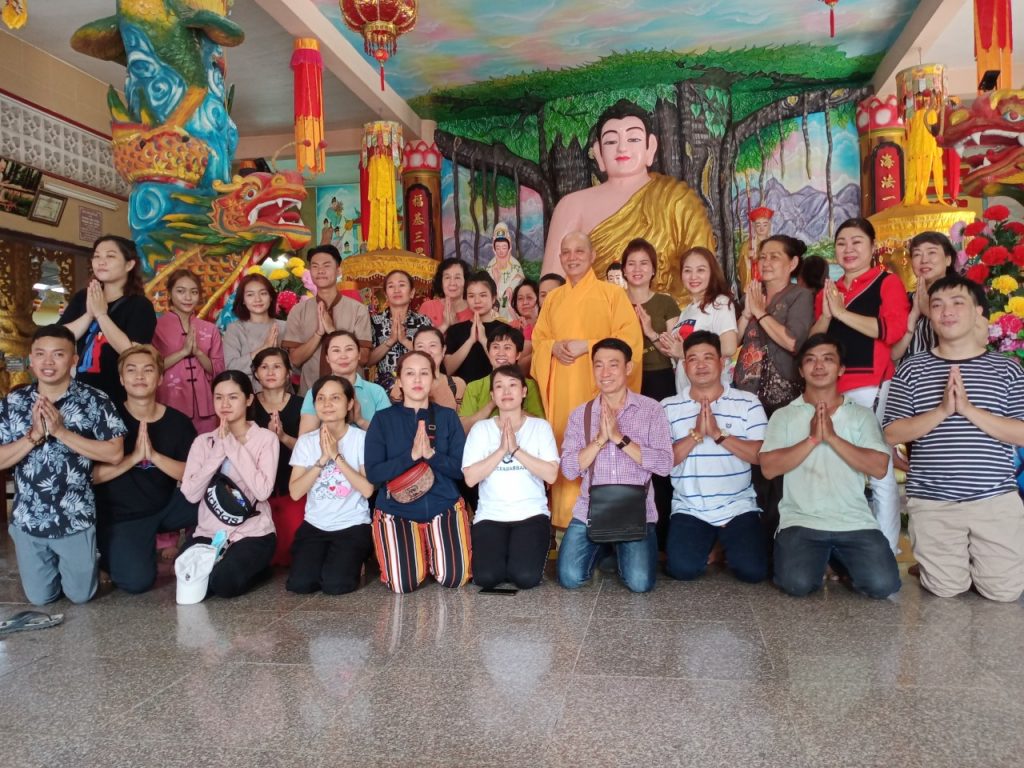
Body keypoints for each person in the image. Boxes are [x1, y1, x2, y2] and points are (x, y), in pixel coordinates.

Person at [884, 275, 1024, 602]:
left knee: (1004, 592)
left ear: (978, 313)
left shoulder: (1008, 369)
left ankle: (980, 563)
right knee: (946, 589)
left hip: (994, 498)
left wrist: (969, 410)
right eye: (937, 305)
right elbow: (892, 432)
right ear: (930, 315)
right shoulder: (912, 369)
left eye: (957, 303)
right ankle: (956, 565)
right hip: (933, 500)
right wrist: (943, 411)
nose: (947, 312)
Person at [759, 334, 900, 599]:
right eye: (810, 360)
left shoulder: (861, 415)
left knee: (883, 585)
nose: (819, 366)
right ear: (801, 370)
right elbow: (768, 468)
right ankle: (823, 558)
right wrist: (812, 439)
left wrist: (833, 438)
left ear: (841, 369)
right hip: (801, 520)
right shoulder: (784, 415)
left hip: (854, 521)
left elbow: (879, 467)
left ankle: (835, 558)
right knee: (797, 584)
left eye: (828, 359)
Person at [0, 325, 126, 605]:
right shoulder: (13, 403)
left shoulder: (95, 400)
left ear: (74, 360)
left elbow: (115, 453)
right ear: (31, 360)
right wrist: (34, 436)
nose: (48, 362)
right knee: (40, 599)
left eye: (58, 354)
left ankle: (87, 560)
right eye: (40, 354)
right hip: (29, 519)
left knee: (81, 596)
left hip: (75, 517)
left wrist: (60, 432)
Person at [541, 100, 713, 301]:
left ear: (650, 147)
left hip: (667, 315)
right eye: (611, 142)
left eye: (633, 139)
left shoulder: (678, 200)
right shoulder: (572, 205)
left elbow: (703, 274)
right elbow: (550, 286)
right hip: (596, 315)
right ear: (599, 152)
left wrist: (664, 312)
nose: (622, 148)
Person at [531, 231, 644, 529]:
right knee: (567, 447)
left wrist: (590, 346)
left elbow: (630, 343)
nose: (572, 258)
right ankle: (566, 524)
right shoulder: (554, 299)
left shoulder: (613, 295)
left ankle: (609, 524)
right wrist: (551, 347)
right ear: (560, 258)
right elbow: (538, 341)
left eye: (579, 251)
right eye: (566, 252)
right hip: (563, 392)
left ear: (593, 255)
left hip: (600, 393)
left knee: (604, 448)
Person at [810, 218, 910, 552]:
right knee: (836, 464)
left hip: (871, 384)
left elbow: (892, 332)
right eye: (841, 243)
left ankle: (887, 548)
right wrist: (827, 314)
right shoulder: (830, 290)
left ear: (872, 247)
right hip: (831, 389)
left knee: (877, 466)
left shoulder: (886, 282)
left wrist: (841, 313)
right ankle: (847, 549)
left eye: (856, 242)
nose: (848, 249)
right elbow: (813, 343)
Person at [557, 338, 672, 593]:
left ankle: (616, 551)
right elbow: (569, 469)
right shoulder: (581, 414)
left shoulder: (651, 410)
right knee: (569, 577)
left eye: (613, 365)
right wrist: (600, 440)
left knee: (639, 583)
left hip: (636, 510)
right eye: (598, 365)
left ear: (628, 368)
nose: (605, 372)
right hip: (591, 508)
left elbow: (665, 464)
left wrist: (619, 438)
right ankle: (605, 547)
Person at [661, 331, 768, 583]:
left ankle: (722, 543)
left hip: (737, 505)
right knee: (682, 569)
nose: (700, 365)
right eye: (692, 359)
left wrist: (719, 435)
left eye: (708, 357)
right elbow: (662, 463)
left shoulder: (747, 402)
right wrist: (696, 435)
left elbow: (761, 456)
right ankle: (711, 541)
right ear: (684, 366)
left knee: (752, 572)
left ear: (722, 362)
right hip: (690, 507)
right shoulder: (667, 407)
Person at [93, 345, 198, 594]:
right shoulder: (106, 418)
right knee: (137, 582)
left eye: (148, 370)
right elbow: (90, 477)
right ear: (122, 379)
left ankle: (197, 552)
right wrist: (133, 459)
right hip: (125, 515)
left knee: (217, 498)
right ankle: (110, 554)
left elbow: (194, 474)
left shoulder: (178, 422)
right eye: (131, 370)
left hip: (166, 506)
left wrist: (154, 456)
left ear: (160, 378)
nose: (140, 376)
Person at [364, 351, 471, 594]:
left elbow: (460, 470)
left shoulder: (447, 417)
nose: (417, 379)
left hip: (443, 506)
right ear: (399, 381)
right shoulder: (383, 420)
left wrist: (432, 455)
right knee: (402, 584)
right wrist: (410, 456)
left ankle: (430, 549)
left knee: (454, 578)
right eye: (410, 373)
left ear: (433, 379)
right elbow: (374, 474)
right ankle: (419, 549)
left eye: (424, 373)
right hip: (397, 510)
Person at [178, 371, 279, 599]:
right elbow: (191, 494)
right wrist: (218, 451)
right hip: (210, 532)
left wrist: (232, 446)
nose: (225, 404)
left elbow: (262, 490)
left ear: (249, 399)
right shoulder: (203, 442)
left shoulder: (266, 439)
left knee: (223, 583)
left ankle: (259, 570)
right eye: (218, 397)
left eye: (233, 397)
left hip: (252, 532)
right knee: (186, 574)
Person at [463, 365, 559, 589]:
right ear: (492, 395)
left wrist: (515, 450)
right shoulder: (481, 430)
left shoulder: (540, 428)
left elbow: (551, 474)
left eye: (512, 385)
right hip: (490, 515)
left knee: (525, 578)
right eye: (499, 386)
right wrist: (500, 451)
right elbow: (470, 478)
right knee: (486, 578)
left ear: (524, 392)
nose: (506, 391)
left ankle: (518, 559)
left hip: (531, 514)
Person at [287, 375, 374, 595]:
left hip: (352, 524)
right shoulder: (306, 442)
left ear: (350, 403)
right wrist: (322, 459)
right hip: (315, 525)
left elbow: (367, 489)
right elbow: (295, 492)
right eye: (321, 398)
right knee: (300, 584)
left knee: (336, 585)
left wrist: (336, 456)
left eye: (335, 398)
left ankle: (356, 559)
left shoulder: (361, 439)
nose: (327, 404)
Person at [59, 234, 157, 405]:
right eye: (97, 256)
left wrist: (101, 315)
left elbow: (133, 353)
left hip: (119, 395)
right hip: (82, 393)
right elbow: (59, 338)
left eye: (110, 256)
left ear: (129, 264)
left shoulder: (140, 305)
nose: (101, 262)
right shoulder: (83, 297)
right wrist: (89, 315)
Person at [735, 236, 813, 413]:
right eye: (762, 257)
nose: (766, 262)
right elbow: (733, 343)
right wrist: (746, 315)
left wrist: (760, 312)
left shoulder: (800, 295)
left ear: (792, 263)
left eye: (774, 257)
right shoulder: (752, 295)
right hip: (745, 394)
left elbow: (792, 342)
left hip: (781, 394)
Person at [283, 244, 372, 394]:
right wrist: (318, 334)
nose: (320, 271)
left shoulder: (358, 310)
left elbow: (363, 358)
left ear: (338, 270)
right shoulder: (298, 311)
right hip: (310, 395)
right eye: (315, 266)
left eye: (326, 265)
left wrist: (332, 332)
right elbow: (295, 360)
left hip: (351, 395)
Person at [890, 231, 988, 363]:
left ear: (948, 260)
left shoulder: (968, 294)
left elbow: (980, 340)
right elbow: (893, 355)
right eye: (917, 254)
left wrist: (928, 310)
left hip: (953, 370)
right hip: (912, 372)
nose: (924, 260)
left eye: (932, 252)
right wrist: (912, 318)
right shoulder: (905, 299)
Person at [152, 268, 225, 434]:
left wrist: (198, 352)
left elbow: (218, 369)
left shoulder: (210, 329)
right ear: (169, 294)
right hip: (169, 403)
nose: (188, 297)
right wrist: (183, 352)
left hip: (205, 407)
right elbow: (152, 367)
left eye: (194, 292)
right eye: (180, 291)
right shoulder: (156, 327)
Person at [657, 246, 738, 393]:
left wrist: (685, 352)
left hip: (713, 394)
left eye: (700, 270)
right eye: (687, 271)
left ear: (712, 273)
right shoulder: (686, 311)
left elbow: (729, 347)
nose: (693, 276)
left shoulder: (719, 303)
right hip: (687, 393)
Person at [250, 347, 303, 567]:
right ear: (255, 373)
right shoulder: (248, 405)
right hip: (256, 493)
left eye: (277, 367)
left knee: (293, 551)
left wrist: (282, 437)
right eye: (264, 367)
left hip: (293, 490)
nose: (270, 372)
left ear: (288, 372)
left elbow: (310, 451)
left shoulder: (302, 405)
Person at [298, 330, 391, 435]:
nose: (343, 356)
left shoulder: (376, 392)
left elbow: (390, 435)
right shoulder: (316, 392)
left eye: (349, 349)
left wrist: (360, 420)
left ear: (359, 354)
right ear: (327, 358)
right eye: (336, 350)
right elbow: (305, 437)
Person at [622, 238, 680, 402]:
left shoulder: (666, 302)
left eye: (644, 263)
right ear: (624, 270)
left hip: (659, 376)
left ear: (653, 269)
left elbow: (674, 351)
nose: (637, 269)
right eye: (631, 263)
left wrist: (650, 332)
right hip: (624, 376)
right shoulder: (615, 302)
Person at [459, 325, 545, 433]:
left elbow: (541, 426)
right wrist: (493, 403)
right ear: (488, 352)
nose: (501, 353)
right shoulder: (474, 387)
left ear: (518, 354)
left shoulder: (529, 385)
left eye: (507, 348)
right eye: (495, 347)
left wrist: (511, 406)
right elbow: (462, 430)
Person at [222, 273, 288, 391]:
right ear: (243, 300)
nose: (257, 299)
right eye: (250, 294)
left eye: (263, 293)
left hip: (282, 395)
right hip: (247, 395)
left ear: (271, 297)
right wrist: (264, 348)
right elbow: (231, 368)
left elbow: (295, 366)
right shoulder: (234, 329)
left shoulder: (284, 327)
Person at [367, 269, 430, 392]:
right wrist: (390, 341)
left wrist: (405, 341)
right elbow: (367, 361)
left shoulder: (423, 321)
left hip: (418, 385)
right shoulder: (374, 321)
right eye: (391, 286)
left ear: (412, 293)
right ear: (386, 294)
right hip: (383, 389)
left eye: (401, 285)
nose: (396, 290)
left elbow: (430, 357)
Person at [444, 271, 507, 382]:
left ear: (493, 298)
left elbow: (506, 370)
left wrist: (483, 340)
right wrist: (470, 341)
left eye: (483, 295)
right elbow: (447, 369)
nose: (477, 301)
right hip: (463, 391)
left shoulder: (505, 330)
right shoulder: (455, 330)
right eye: (471, 296)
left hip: (495, 390)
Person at [409, 327, 465, 410]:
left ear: (443, 350)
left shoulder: (457, 384)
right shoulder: (403, 383)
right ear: (413, 351)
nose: (427, 351)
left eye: (432, 345)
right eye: (420, 346)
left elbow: (462, 417)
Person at [419, 257, 473, 333]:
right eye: (447, 277)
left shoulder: (474, 309)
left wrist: (455, 326)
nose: (452, 283)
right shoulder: (428, 307)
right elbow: (420, 339)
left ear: (465, 281)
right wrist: (445, 325)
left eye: (457, 277)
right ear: (441, 282)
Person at [486, 222, 526, 321]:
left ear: (509, 247)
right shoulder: (491, 265)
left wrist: (510, 288)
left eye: (504, 247)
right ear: (494, 248)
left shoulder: (515, 264)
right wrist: (496, 282)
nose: (501, 251)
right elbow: (486, 285)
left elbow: (521, 280)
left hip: (510, 302)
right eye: (498, 248)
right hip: (495, 303)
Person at [737, 206, 774, 293]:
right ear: (753, 226)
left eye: (765, 225)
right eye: (758, 225)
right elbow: (740, 266)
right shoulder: (748, 245)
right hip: (754, 283)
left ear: (769, 225)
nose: (762, 228)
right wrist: (747, 258)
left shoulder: (774, 244)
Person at [511, 278, 540, 374]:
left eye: (529, 298)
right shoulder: (511, 327)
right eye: (520, 299)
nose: (524, 303)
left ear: (539, 299)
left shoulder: (546, 326)